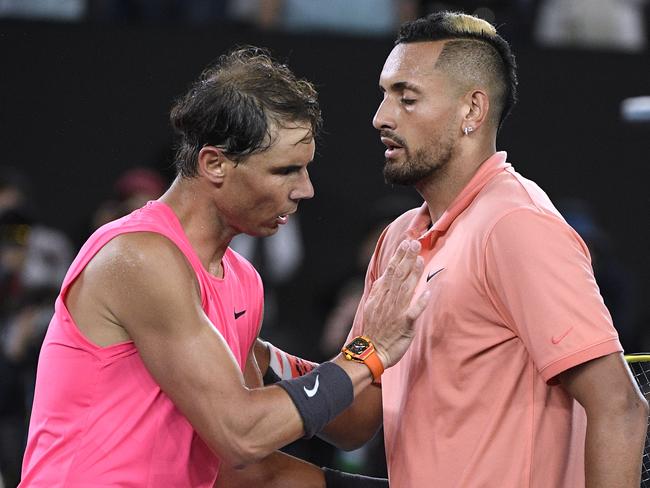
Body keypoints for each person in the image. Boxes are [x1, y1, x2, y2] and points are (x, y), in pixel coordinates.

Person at [247, 12, 649, 487]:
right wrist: (264, 357)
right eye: (384, 95)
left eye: (407, 98)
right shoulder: (398, 239)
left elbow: (619, 406)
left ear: (472, 112)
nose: (381, 117)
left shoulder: (515, 226)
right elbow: (356, 421)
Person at [18, 47, 429, 487]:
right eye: (286, 170)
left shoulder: (241, 280)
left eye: (305, 170)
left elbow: (267, 460)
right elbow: (243, 434)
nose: (305, 190)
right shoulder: (139, 258)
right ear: (215, 163)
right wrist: (370, 351)